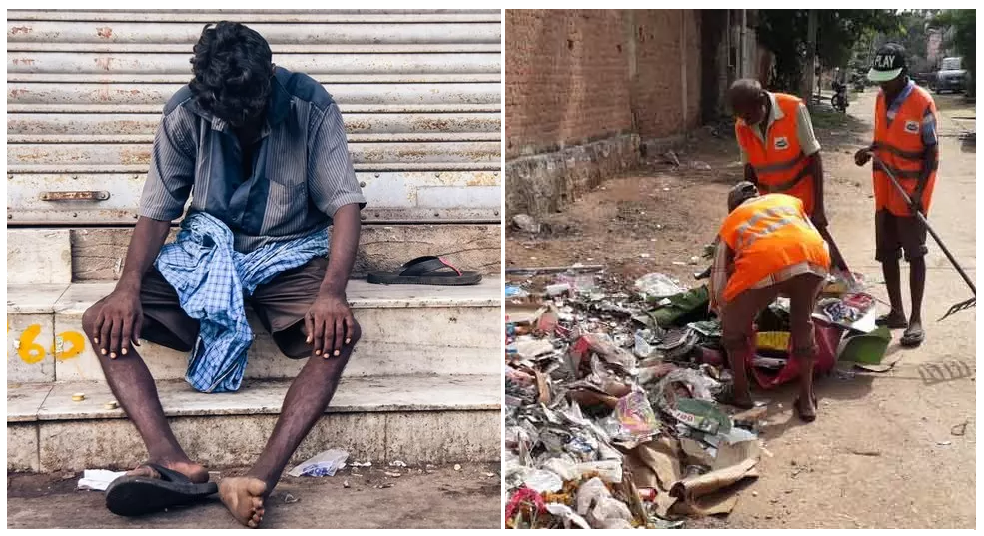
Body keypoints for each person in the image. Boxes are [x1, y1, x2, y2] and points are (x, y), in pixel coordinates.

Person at [80, 22, 367, 528]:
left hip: (290, 253)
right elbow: (157, 210)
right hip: (207, 251)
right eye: (221, 113)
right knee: (102, 320)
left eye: (246, 112)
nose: (233, 123)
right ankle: (171, 461)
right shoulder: (185, 111)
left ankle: (255, 479)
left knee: (337, 335)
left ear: (267, 82)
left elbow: (344, 205)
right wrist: (126, 288)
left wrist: (332, 292)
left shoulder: (311, 106)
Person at [710, 183, 831, 422]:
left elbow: (719, 279)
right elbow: (804, 234)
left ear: (732, 206)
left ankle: (741, 393)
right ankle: (806, 400)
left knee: (732, 330)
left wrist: (728, 314)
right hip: (815, 256)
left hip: (766, 263)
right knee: (802, 321)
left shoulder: (733, 220)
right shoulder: (785, 201)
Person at [854, 43, 939, 347]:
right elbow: (883, 141)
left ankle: (915, 318)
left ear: (903, 74)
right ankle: (897, 312)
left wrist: (917, 193)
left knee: (915, 255)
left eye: (887, 78)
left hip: (912, 193)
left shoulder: (922, 102)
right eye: (879, 78)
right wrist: (869, 151)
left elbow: (932, 153)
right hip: (885, 191)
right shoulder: (880, 99)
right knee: (887, 253)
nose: (882, 84)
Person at [728, 79, 848, 272]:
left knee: (818, 245)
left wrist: (819, 208)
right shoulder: (742, 124)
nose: (745, 121)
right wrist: (747, 209)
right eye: (741, 116)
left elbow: (814, 157)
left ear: (761, 102)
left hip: (800, 200)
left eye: (748, 115)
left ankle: (846, 286)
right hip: (770, 202)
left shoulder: (793, 108)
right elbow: (749, 169)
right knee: (779, 253)